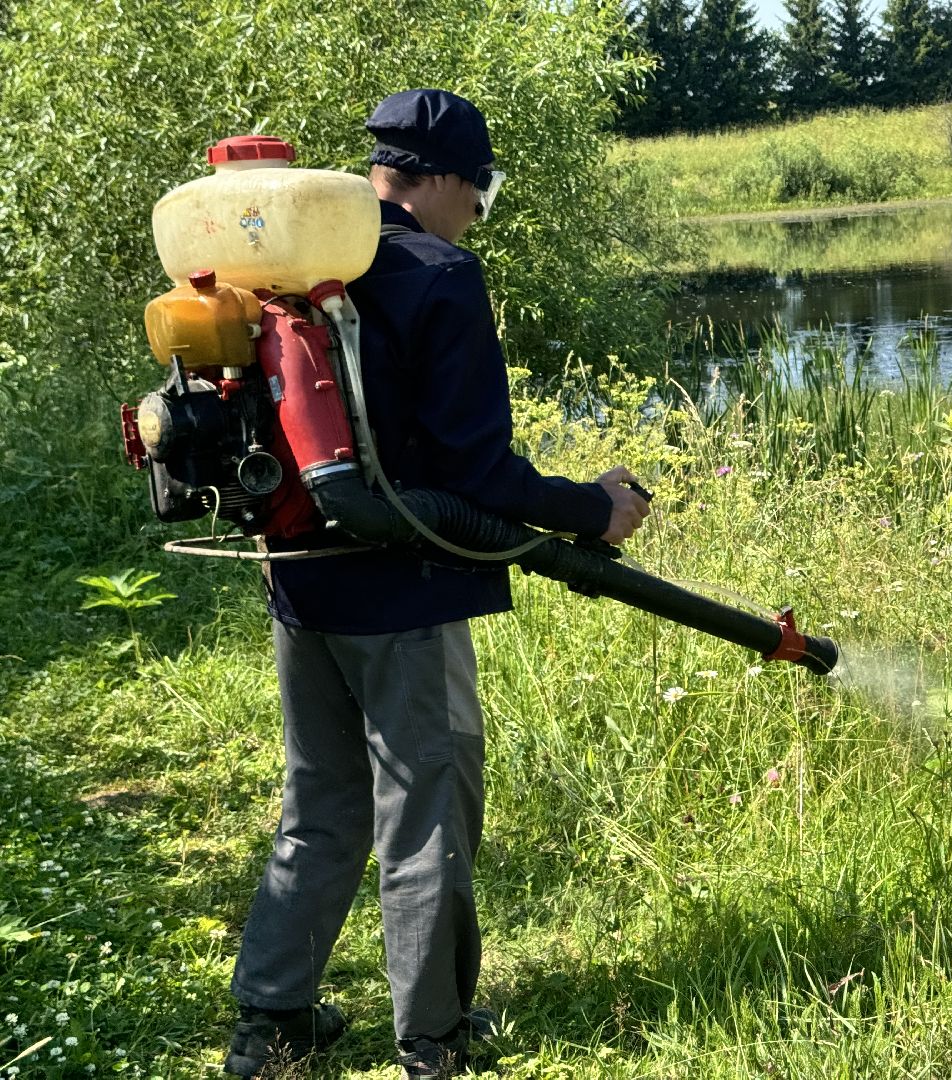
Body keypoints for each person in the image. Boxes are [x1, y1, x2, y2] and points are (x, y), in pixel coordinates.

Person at [222, 89, 651, 1079]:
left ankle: (272, 1020)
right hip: (404, 596)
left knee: (320, 801)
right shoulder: (438, 272)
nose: (475, 212)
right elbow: (475, 475)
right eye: (481, 191)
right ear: (450, 177)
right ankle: (438, 1036)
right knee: (427, 810)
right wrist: (593, 507)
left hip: (297, 580)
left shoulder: (290, 263)